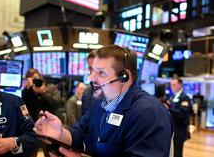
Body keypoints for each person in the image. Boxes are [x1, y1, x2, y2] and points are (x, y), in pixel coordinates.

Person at [34, 45, 174, 157]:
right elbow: (81, 132)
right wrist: (60, 133)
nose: (91, 78)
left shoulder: (150, 113)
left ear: (124, 76)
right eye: (93, 71)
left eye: (101, 73)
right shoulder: (99, 103)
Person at [164, 77, 192, 157]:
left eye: (174, 85)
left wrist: (169, 108)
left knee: (177, 153)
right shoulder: (172, 97)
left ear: (180, 85)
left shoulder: (185, 98)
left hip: (180, 131)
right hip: (172, 129)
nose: (172, 87)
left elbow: (182, 114)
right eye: (171, 85)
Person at [81, 50, 97, 115]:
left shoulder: (113, 92)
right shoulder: (87, 93)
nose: (93, 72)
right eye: (91, 68)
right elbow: (84, 121)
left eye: (96, 67)